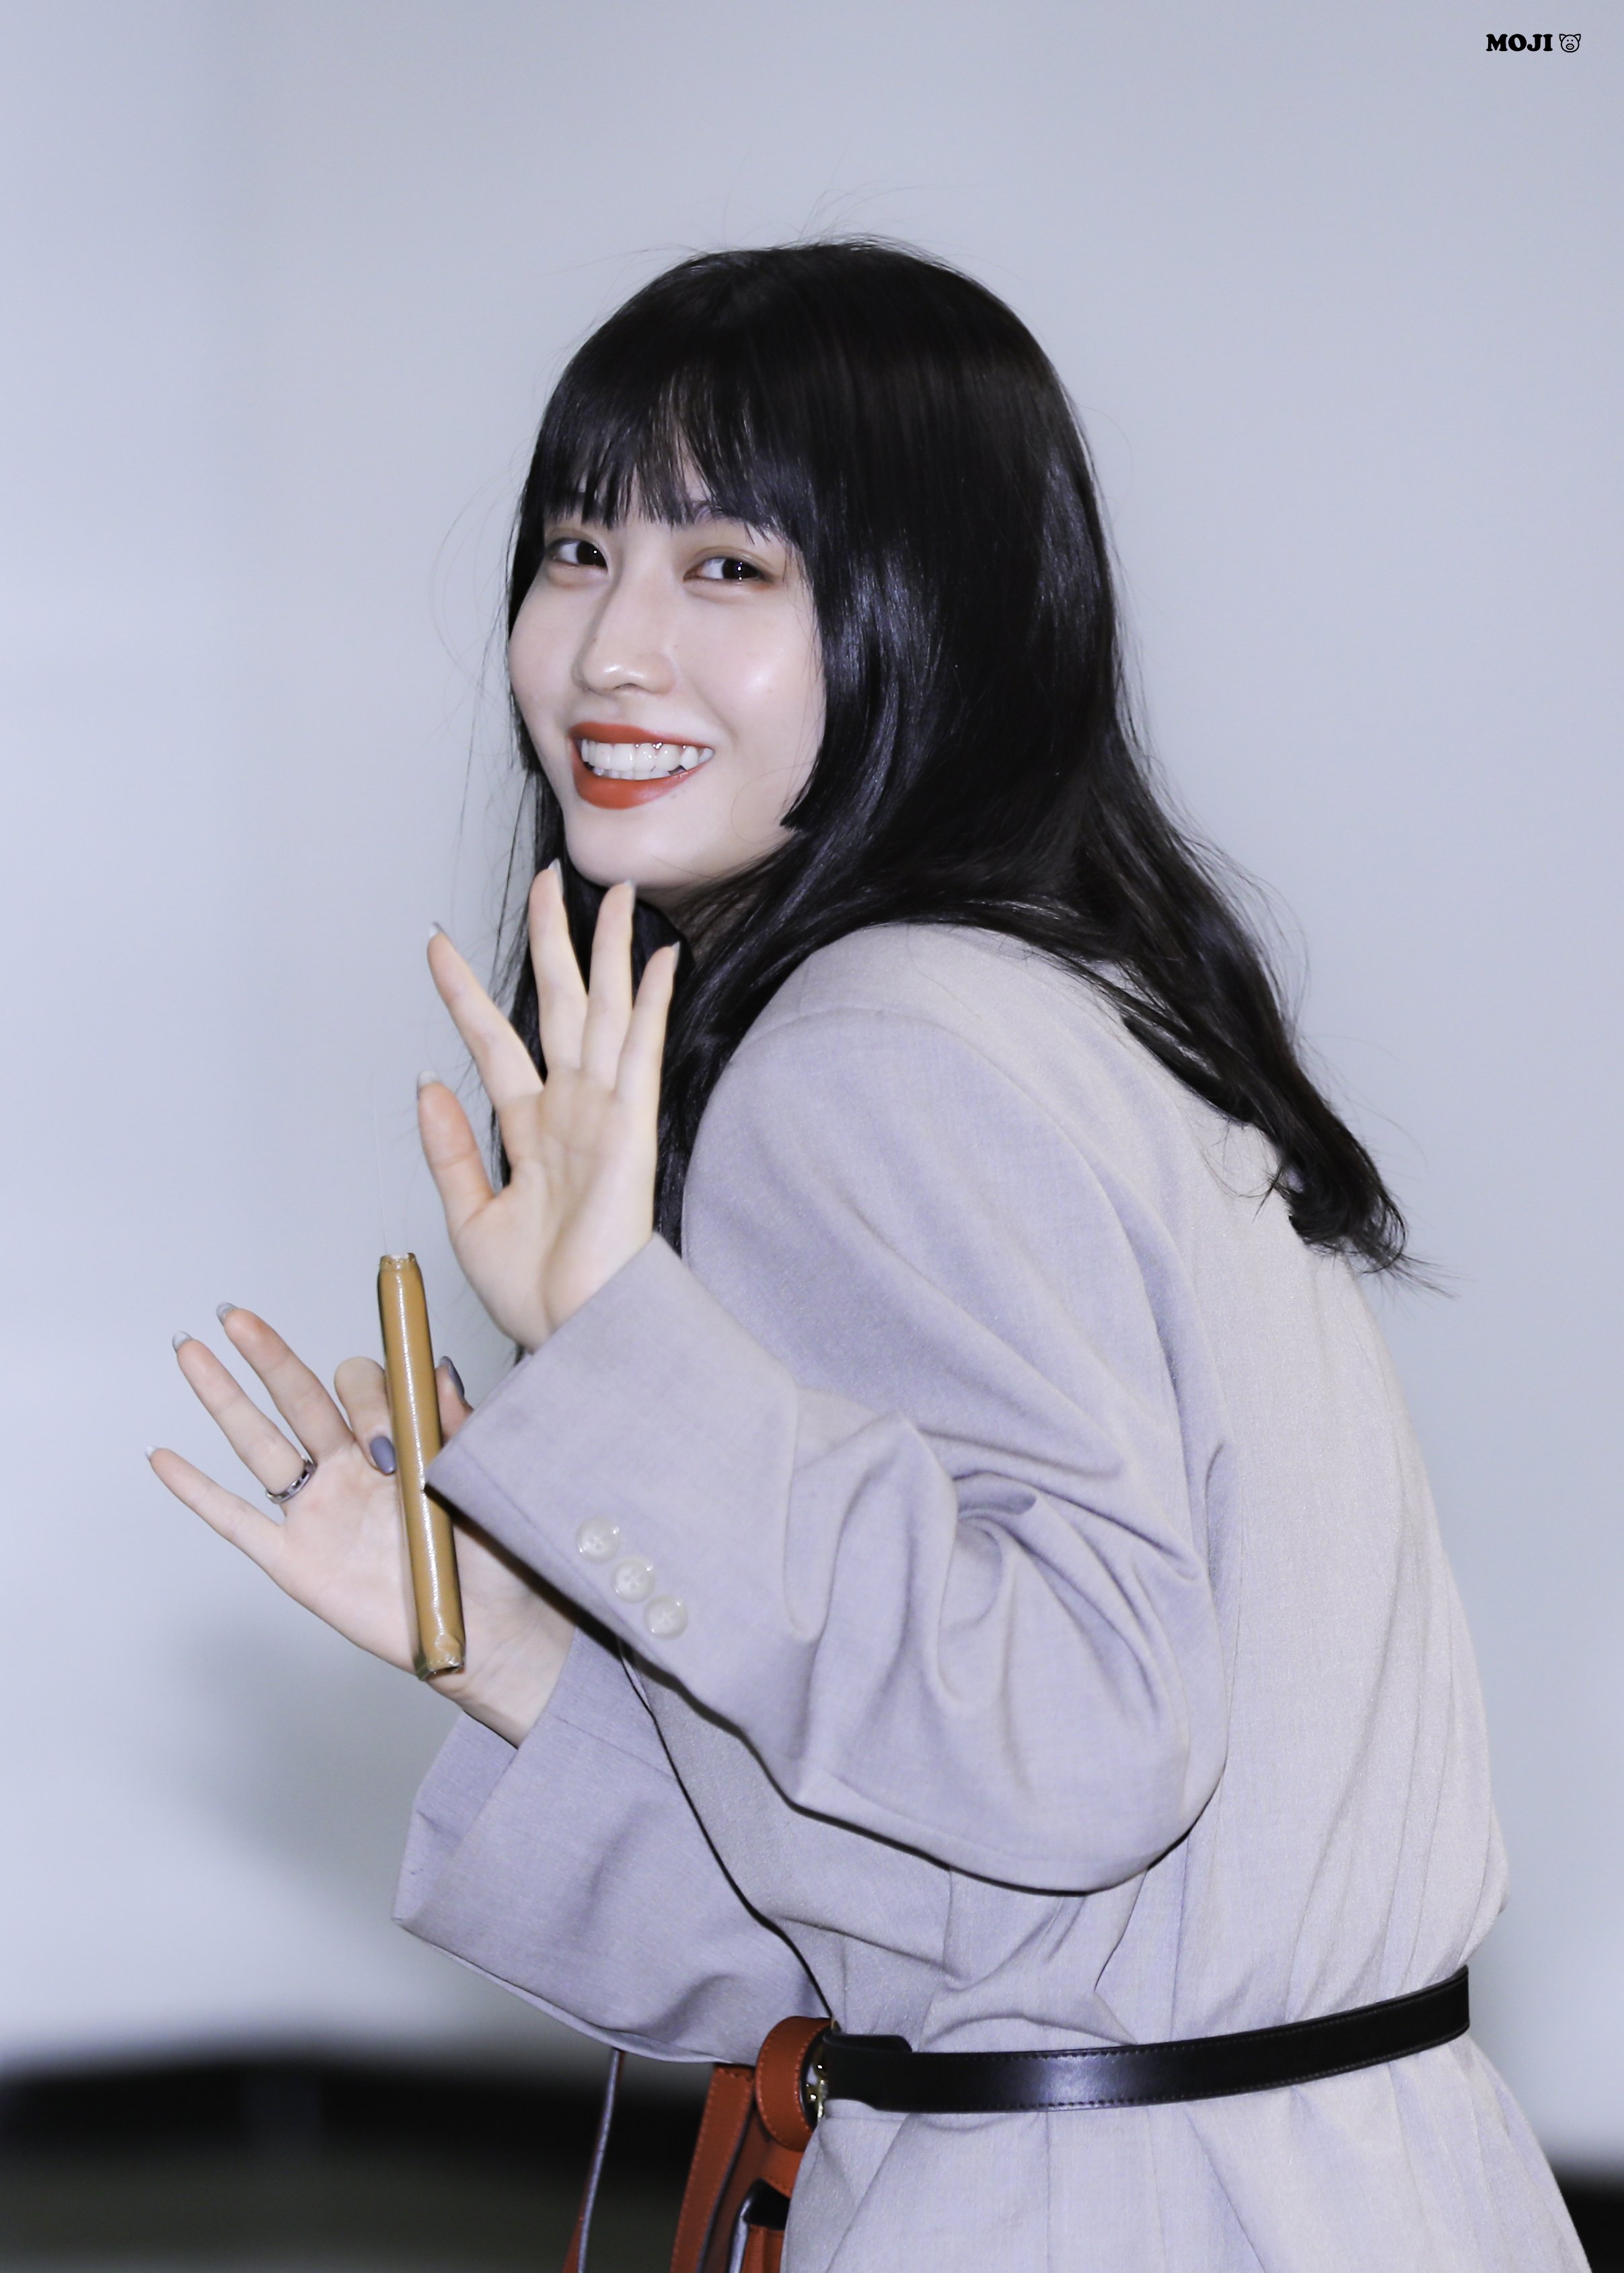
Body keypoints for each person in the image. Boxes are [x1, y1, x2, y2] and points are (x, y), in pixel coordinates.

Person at [151, 242, 1585, 2272]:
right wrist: (506, 1634)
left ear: (933, 609)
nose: (610, 647)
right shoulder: (1067, 1002)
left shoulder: (872, 1048)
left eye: (728, 565)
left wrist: (609, 1340)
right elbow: (948, 1912)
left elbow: (1075, 1750)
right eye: (577, 550)